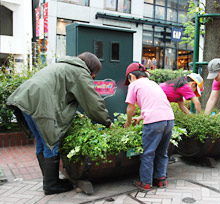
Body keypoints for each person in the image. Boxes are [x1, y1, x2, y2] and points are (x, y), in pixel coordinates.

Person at [7, 52, 113, 195]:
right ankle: (51, 185)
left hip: (25, 99)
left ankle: (49, 181)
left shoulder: (63, 65)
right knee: (52, 141)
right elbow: (93, 102)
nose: (93, 77)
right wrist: (108, 123)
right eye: (94, 74)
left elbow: (60, 97)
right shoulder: (79, 72)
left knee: (41, 140)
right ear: (91, 69)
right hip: (39, 102)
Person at [123, 63, 174, 191]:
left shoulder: (134, 84)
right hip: (169, 119)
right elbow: (156, 104)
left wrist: (128, 122)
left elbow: (130, 107)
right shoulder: (153, 83)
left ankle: (145, 182)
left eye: (128, 80)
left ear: (131, 77)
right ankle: (161, 179)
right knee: (162, 152)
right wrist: (140, 118)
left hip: (154, 122)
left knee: (148, 153)